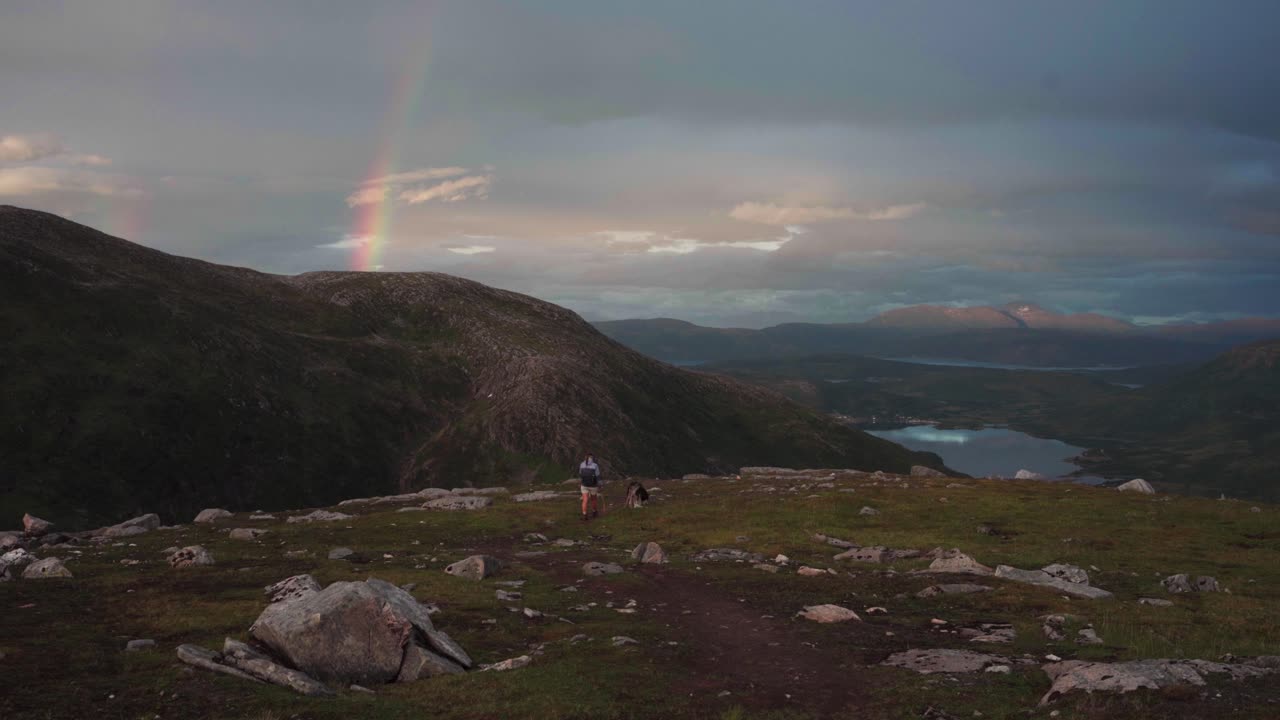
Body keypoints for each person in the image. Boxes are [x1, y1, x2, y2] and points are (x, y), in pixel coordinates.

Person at [579, 453, 603, 520]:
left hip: (584, 485)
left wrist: (581, 482)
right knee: (593, 499)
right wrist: (600, 485)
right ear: (591, 458)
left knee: (585, 500)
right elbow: (598, 476)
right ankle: (594, 512)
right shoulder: (595, 465)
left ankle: (585, 515)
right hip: (593, 485)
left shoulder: (582, 464)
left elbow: (580, 475)